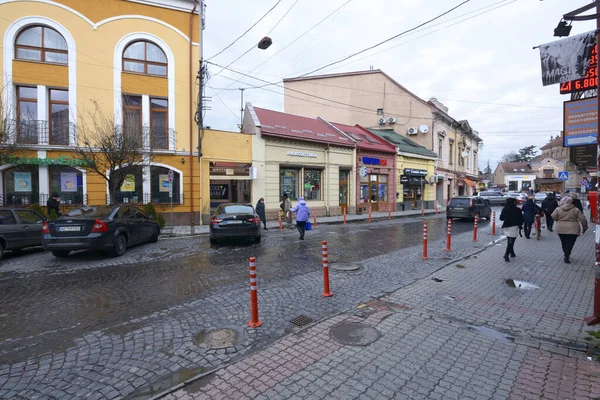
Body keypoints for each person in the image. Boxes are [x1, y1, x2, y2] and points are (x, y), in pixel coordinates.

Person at [552, 196, 588, 263]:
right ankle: (567, 255)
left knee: (564, 242)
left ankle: (566, 254)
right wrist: (585, 227)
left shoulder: (558, 209)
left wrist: (558, 220)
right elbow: (582, 219)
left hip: (560, 228)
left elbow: (553, 216)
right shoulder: (576, 209)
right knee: (570, 243)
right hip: (573, 228)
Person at [500, 197, 524, 262]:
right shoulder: (517, 209)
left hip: (506, 227)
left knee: (509, 240)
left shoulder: (505, 209)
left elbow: (501, 218)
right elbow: (521, 219)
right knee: (511, 241)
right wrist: (520, 225)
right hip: (514, 227)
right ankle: (506, 254)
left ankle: (512, 253)